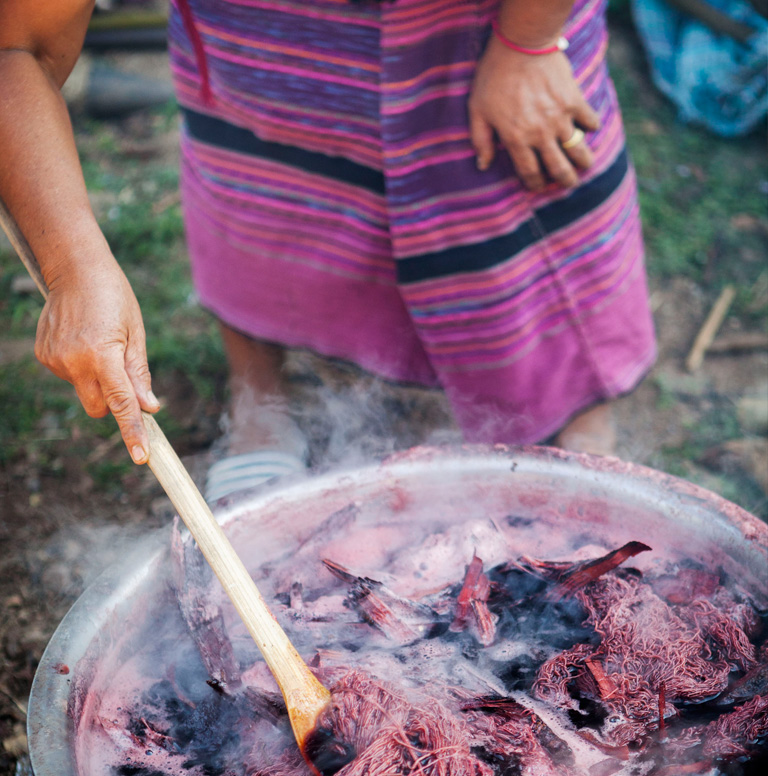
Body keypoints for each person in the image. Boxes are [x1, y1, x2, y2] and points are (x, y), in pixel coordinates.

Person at [0, 0, 655, 497]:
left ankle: (574, 424)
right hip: (259, 36)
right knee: (263, 190)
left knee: (523, 194)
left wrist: (528, 42)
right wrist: (73, 267)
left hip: (491, 25)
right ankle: (260, 402)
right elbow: (16, 45)